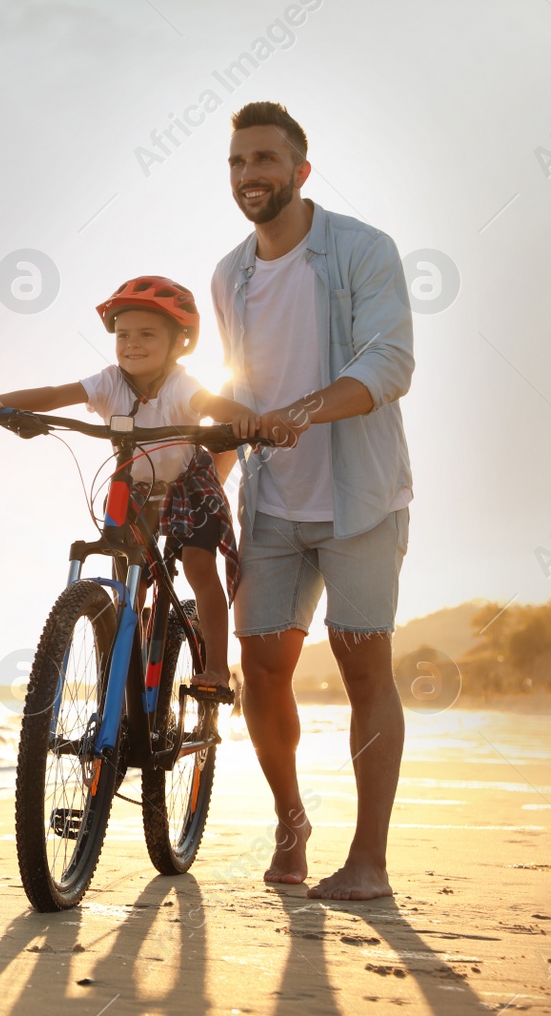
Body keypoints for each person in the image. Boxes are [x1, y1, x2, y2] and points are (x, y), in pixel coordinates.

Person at [212, 101, 414, 901]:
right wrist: (202, 483)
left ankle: (369, 858)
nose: (249, 175)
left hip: (360, 496)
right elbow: (240, 396)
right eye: (236, 162)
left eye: (264, 160)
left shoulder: (363, 250)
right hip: (271, 503)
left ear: (300, 170)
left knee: (366, 666)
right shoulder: (229, 276)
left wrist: (301, 413)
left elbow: (391, 361)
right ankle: (290, 822)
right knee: (262, 668)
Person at [0, 276, 257, 700]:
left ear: (180, 342)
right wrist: (0, 401)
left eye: (146, 334)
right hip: (133, 486)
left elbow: (210, 405)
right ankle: (129, 665)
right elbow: (54, 394)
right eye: (123, 334)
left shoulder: (181, 384)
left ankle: (216, 667)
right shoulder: (109, 381)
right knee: (130, 580)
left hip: (185, 485)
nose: (132, 344)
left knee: (198, 566)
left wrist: (245, 418)